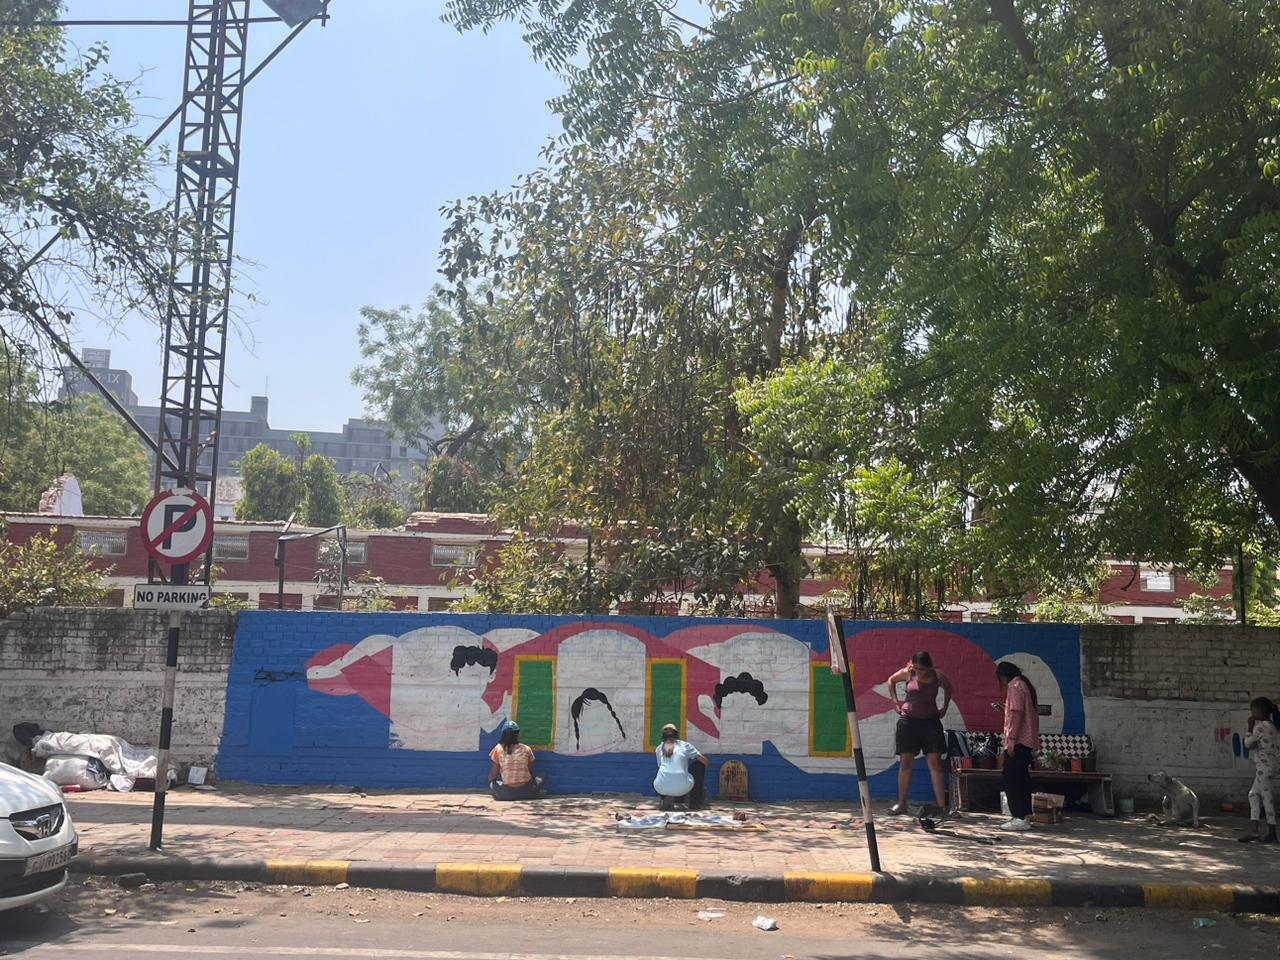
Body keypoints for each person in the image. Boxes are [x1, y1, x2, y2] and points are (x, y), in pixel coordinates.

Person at [887, 652, 953, 814]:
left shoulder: (938, 676)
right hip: (908, 722)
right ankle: (902, 803)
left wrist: (944, 707)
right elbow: (891, 681)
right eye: (916, 668)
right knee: (906, 762)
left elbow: (948, 688)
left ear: (929, 666)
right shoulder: (909, 673)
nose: (919, 672)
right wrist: (895, 702)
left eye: (922, 669)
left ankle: (941, 806)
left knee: (935, 763)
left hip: (930, 722)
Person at [996, 661, 1040, 832]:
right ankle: (1025, 814)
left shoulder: (1014, 686)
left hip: (1018, 740)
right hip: (1027, 740)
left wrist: (1012, 739)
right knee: (1022, 778)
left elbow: (1016, 713)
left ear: (1003, 676)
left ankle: (1019, 816)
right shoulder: (1024, 685)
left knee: (1012, 778)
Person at [1239, 696, 1279, 843]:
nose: (1251, 712)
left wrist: (1249, 727)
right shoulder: (1274, 726)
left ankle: (1272, 833)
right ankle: (1254, 829)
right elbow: (1261, 745)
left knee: (1267, 799)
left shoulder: (1259, 727)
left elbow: (1248, 744)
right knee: (1253, 794)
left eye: (1252, 709)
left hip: (1263, 768)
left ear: (1258, 710)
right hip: (1272, 766)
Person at [654, 723, 708, 810]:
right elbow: (705, 762)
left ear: (663, 736)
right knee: (699, 765)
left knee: (663, 771)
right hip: (683, 787)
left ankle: (666, 798)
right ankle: (694, 802)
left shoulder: (659, 748)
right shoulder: (684, 745)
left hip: (661, 787)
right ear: (676, 735)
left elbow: (660, 766)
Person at [487, 720, 545, 801]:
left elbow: (493, 774)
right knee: (542, 777)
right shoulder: (526, 748)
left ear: (503, 734)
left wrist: (491, 780)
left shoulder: (498, 748)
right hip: (528, 792)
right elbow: (531, 772)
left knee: (492, 783)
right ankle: (534, 792)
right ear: (517, 734)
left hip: (506, 794)